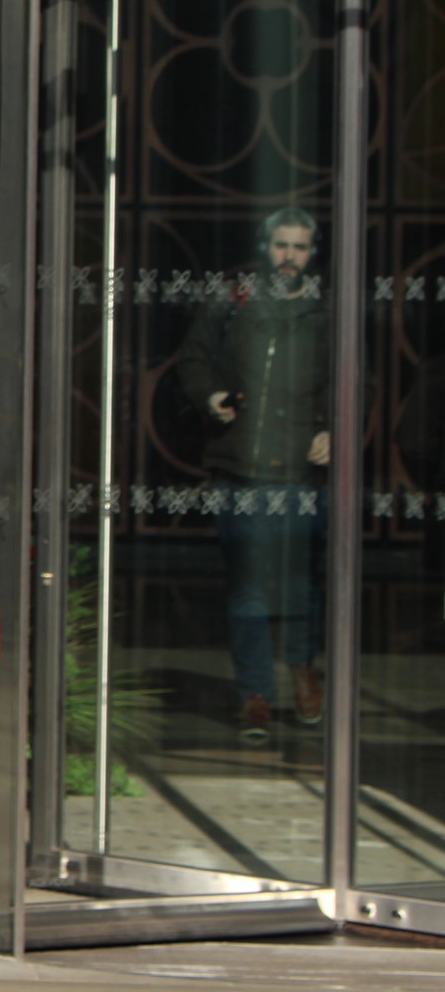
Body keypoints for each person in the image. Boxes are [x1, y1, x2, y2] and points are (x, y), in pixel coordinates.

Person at [175, 207, 330, 742]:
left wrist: (332, 428)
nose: (290, 257)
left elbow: (359, 379)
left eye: (300, 248)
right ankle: (255, 694)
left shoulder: (325, 308)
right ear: (267, 248)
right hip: (239, 465)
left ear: (313, 253)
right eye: (282, 246)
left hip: (300, 472)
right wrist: (210, 396)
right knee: (247, 589)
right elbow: (192, 359)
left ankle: (304, 667)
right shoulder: (234, 299)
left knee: (301, 585)